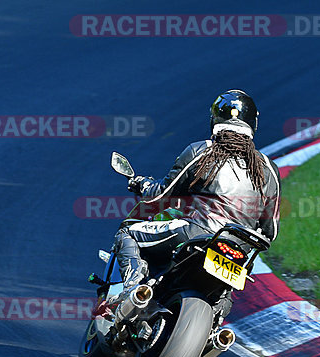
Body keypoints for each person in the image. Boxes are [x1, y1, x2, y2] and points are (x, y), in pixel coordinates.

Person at [109, 89, 281, 316]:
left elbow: (163, 195)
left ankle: (134, 292)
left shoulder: (201, 152)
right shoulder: (268, 169)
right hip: (238, 248)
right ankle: (214, 331)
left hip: (196, 232)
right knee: (223, 297)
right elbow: (271, 230)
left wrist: (142, 184)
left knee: (128, 233)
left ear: (214, 120)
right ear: (253, 123)